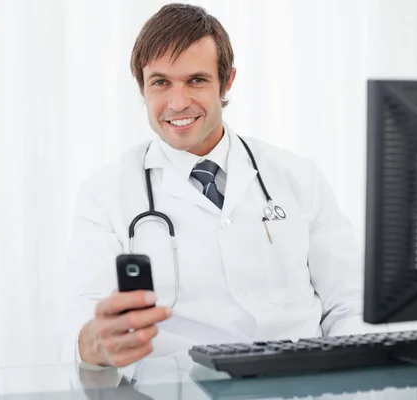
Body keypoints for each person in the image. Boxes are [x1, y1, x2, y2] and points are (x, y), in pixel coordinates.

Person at [57, 3, 374, 370]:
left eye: (196, 80)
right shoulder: (106, 193)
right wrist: (92, 342)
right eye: (160, 82)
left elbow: (349, 304)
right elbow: (80, 321)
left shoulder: (298, 177)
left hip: (299, 386)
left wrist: (350, 378)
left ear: (227, 82)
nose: (177, 103)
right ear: (142, 88)